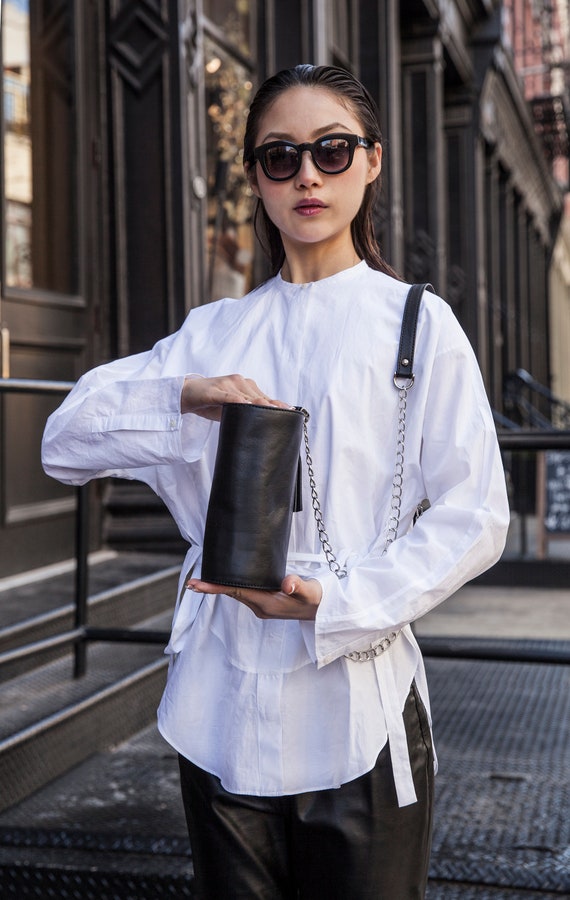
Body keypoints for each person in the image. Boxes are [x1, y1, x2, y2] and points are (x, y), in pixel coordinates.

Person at [42, 64, 510, 899]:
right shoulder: (215, 331)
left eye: (331, 151)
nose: (306, 176)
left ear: (371, 162)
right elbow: (63, 441)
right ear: (255, 177)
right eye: (279, 156)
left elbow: (477, 513)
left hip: (358, 700)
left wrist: (339, 600)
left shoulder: (416, 321)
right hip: (220, 700)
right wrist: (186, 394)